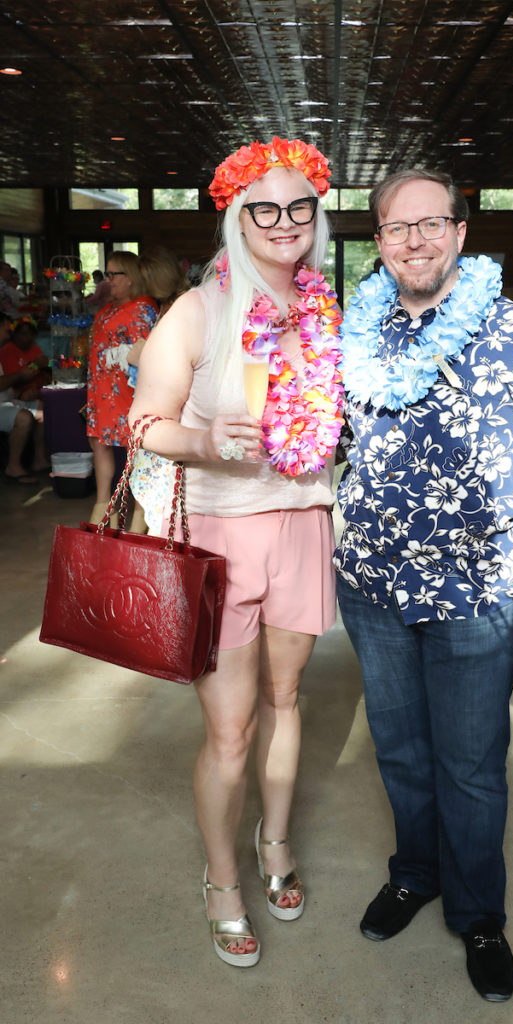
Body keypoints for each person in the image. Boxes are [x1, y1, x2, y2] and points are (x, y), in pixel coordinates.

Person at [335, 168, 513, 1002]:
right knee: (399, 750)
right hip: (372, 582)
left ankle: (478, 914)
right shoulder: (357, 332)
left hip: (477, 590)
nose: (413, 240)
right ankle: (415, 873)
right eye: (395, 227)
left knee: (471, 766)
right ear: (378, 241)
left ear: (459, 231)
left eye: (430, 223)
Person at [128, 136, 343, 967]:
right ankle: (221, 880)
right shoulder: (198, 310)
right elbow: (143, 425)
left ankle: (274, 841)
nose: (284, 223)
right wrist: (204, 439)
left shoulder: (324, 311)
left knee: (287, 700)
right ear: (237, 219)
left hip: (303, 524)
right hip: (217, 537)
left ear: (316, 215)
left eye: (299, 207)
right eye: (264, 209)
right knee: (229, 730)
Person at [86, 250, 157, 528]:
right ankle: (104, 507)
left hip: (128, 390)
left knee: (137, 449)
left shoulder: (143, 308)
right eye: (107, 274)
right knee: (100, 444)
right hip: (101, 389)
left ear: (131, 278)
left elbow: (147, 352)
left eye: (114, 274)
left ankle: (140, 513)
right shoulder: (106, 310)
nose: (109, 280)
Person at [127, 247, 190, 533]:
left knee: (163, 498)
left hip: (171, 414)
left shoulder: (183, 308)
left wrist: (142, 357)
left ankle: (151, 547)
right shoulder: (164, 306)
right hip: (155, 408)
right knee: (150, 494)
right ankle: (142, 544)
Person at [0, 313, 50, 483]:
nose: (8, 335)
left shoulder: (34, 349)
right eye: (6, 330)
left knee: (41, 409)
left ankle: (39, 459)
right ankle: (13, 466)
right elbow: (13, 378)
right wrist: (22, 375)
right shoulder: (7, 350)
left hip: (9, 399)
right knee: (24, 417)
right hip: (3, 403)